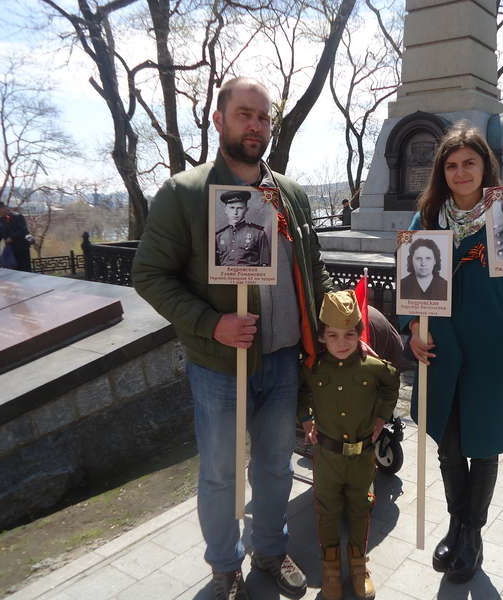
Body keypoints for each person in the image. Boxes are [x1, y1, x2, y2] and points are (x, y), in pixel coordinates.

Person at [132, 77, 335, 600]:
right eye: (244, 114)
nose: (255, 126)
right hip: (220, 366)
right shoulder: (185, 193)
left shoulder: (289, 194)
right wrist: (211, 323)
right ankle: (225, 565)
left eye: (263, 117)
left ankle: (269, 548)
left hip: (284, 361)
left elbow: (312, 267)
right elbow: (149, 275)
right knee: (222, 474)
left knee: (274, 467)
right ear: (218, 120)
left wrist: (334, 319)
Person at [400, 122, 503, 585]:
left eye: (469, 163)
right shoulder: (428, 219)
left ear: (484, 167)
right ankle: (457, 523)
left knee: (484, 446)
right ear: (442, 171)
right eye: (452, 165)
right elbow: (411, 289)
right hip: (441, 353)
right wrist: (412, 328)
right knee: (449, 444)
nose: (460, 172)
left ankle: (471, 534)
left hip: (491, 352)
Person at [299, 290, 399, 600]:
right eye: (332, 335)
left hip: (362, 458)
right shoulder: (314, 368)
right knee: (327, 511)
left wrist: (382, 417)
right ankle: (330, 571)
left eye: (349, 335)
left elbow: (392, 382)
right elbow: (301, 391)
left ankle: (359, 567)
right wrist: (306, 419)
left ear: (359, 333)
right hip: (327, 458)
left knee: (360, 509)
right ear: (322, 336)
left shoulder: (373, 366)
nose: (341, 343)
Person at [215, 190, 270, 266]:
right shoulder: (218, 236)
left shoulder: (258, 234)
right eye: (232, 208)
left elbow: (265, 265)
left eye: (240, 208)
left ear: (246, 210)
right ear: (226, 210)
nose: (235, 212)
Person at [0, 201, 33, 272]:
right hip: (11, 249)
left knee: (25, 269)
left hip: (22, 247)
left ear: (3, 208)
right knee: (13, 269)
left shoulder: (17, 216)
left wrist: (12, 237)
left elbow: (23, 230)